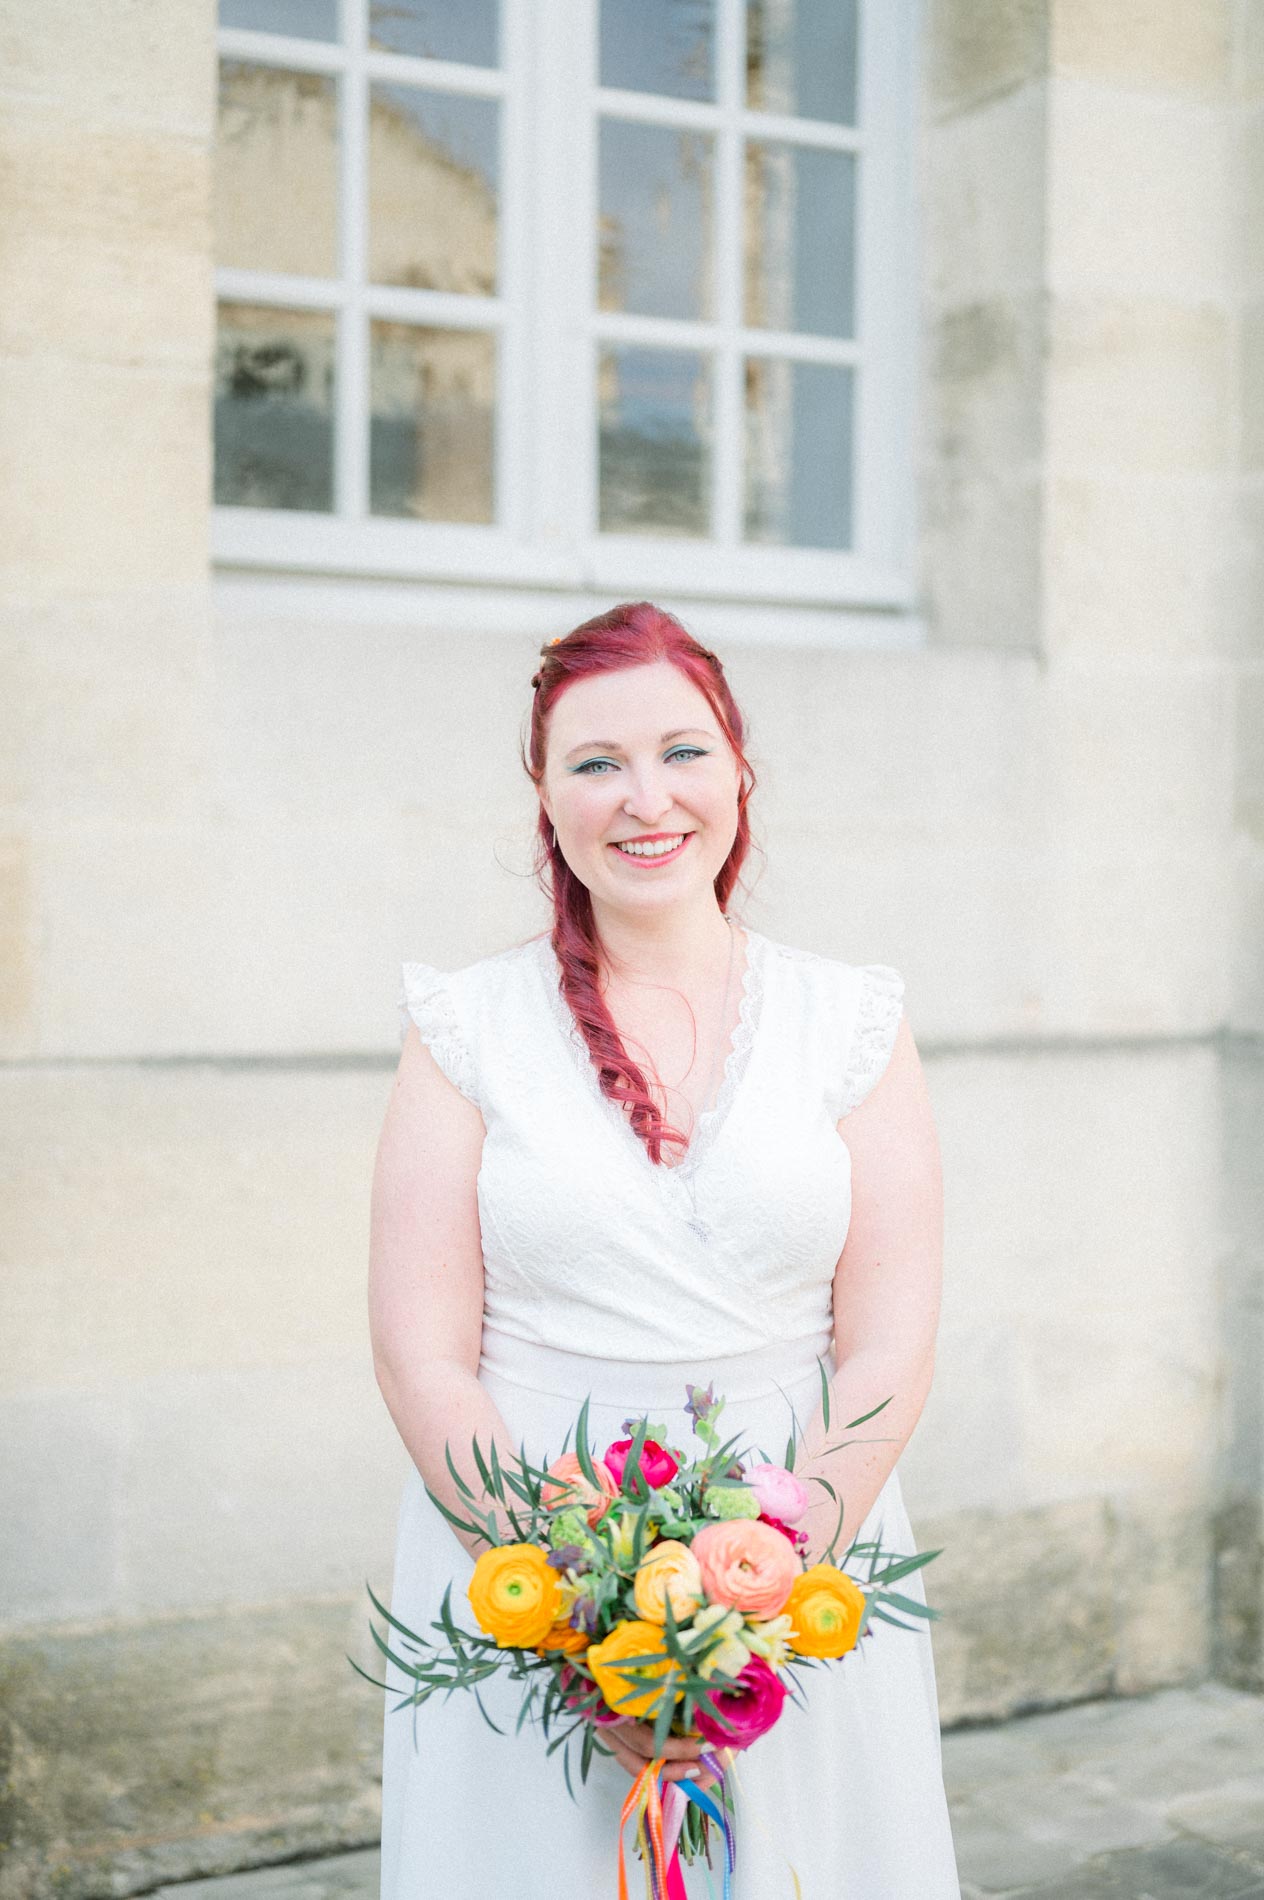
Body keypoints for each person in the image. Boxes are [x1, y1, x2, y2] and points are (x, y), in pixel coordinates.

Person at [369, 601, 959, 1897]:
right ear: (545, 794)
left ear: (742, 768)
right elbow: (423, 1358)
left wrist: (747, 1615)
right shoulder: (463, 1028)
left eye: (683, 751)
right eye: (595, 762)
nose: (648, 798)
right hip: (523, 1571)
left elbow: (890, 1344)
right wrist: (585, 1623)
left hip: (801, 1568)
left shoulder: (852, 1019)